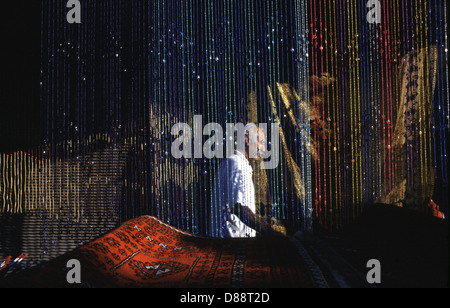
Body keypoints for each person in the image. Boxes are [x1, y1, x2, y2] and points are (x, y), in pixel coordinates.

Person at [210, 123, 285, 238]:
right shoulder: (236, 164)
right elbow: (239, 208)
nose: (263, 149)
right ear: (247, 140)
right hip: (234, 244)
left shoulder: (237, 163)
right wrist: (270, 233)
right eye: (261, 143)